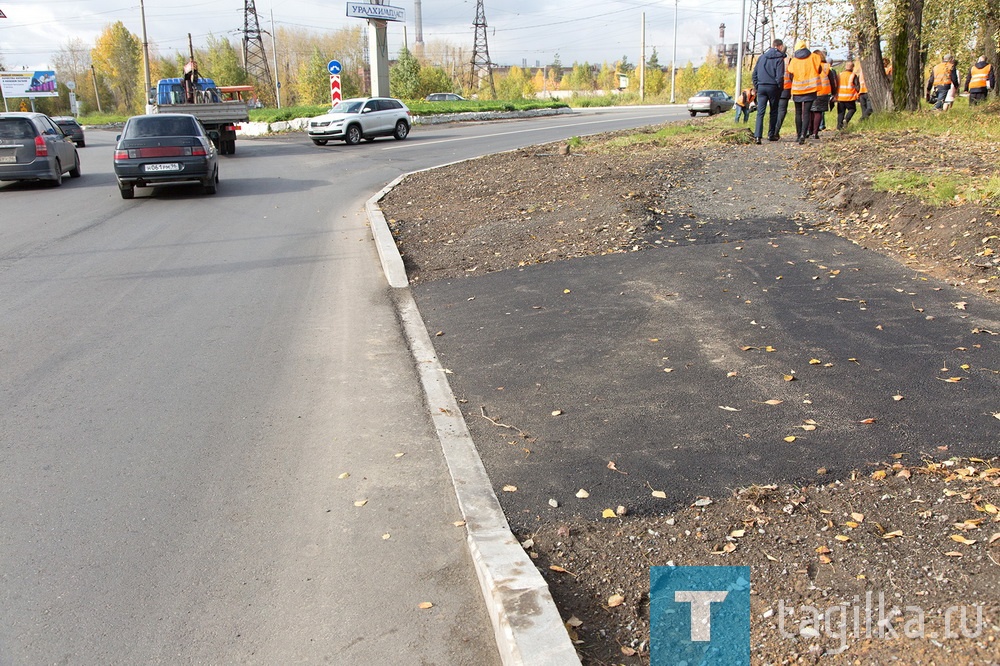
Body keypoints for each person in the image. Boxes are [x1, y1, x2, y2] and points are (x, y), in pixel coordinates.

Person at [786, 39, 823, 144]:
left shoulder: (794, 60)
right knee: (806, 112)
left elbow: (790, 73)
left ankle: (798, 135)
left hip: (797, 89)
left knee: (798, 113)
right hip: (811, 89)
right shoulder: (815, 57)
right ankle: (803, 134)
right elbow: (819, 70)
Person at [751, 39, 786, 143]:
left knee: (760, 112)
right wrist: (780, 87)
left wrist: (757, 86)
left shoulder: (762, 57)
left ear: (772, 45)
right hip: (773, 87)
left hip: (761, 87)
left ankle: (757, 136)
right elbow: (780, 76)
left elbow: (754, 74)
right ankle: (771, 134)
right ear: (780, 46)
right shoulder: (779, 59)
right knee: (774, 111)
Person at [836, 61, 860, 129]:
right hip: (849, 97)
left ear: (845, 67)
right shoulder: (853, 75)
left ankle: (839, 126)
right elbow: (857, 86)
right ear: (852, 67)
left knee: (840, 112)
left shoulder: (839, 75)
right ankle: (846, 120)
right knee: (852, 109)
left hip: (840, 97)